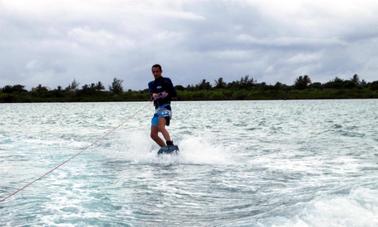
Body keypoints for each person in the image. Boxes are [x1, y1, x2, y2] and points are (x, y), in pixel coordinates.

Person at [148, 64, 177, 148]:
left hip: (166, 108)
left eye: (157, 71)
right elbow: (151, 95)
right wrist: (153, 96)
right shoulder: (151, 84)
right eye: (154, 72)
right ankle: (165, 148)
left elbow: (174, 93)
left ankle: (170, 145)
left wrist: (166, 94)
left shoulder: (166, 80)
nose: (155, 73)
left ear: (161, 71)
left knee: (161, 127)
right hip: (157, 110)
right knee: (153, 135)